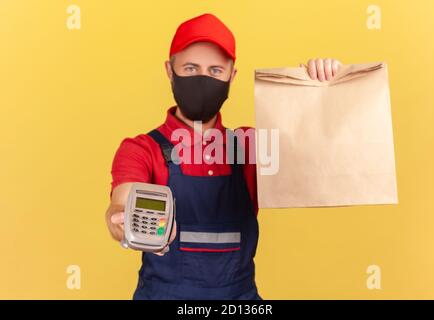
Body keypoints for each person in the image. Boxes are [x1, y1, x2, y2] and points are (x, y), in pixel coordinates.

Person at [105, 13, 342, 300]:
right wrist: (122, 222)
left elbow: (321, 161)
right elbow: (122, 202)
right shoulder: (142, 149)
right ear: (170, 70)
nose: (203, 78)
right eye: (191, 68)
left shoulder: (251, 146)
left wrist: (323, 89)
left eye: (216, 70)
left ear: (232, 76)